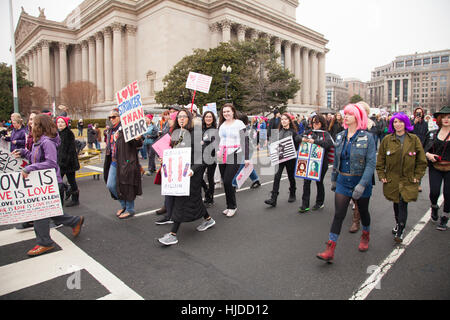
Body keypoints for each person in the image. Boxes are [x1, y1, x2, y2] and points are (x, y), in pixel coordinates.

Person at [12, 114, 84, 256]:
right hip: (43, 183)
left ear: (40, 126)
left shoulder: (47, 142)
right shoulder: (39, 141)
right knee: (50, 212)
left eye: (33, 122)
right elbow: (35, 158)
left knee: (40, 213)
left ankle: (44, 243)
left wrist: (29, 168)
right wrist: (24, 152)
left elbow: (51, 163)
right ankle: (75, 221)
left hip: (50, 184)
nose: (30, 124)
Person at [316, 104, 376, 263]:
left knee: (363, 212)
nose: (346, 116)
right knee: (338, 215)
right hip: (343, 180)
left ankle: (365, 235)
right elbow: (337, 160)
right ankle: (330, 248)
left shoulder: (367, 137)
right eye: (345, 114)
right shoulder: (340, 136)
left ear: (358, 117)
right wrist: (334, 179)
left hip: (360, 180)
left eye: (350, 114)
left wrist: (362, 184)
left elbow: (371, 164)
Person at [158, 109, 215, 246]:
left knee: (181, 200)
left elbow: (201, 157)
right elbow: (173, 154)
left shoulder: (195, 134)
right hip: (180, 172)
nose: (181, 119)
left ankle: (173, 234)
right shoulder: (176, 134)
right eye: (179, 117)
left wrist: (192, 171)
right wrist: (165, 160)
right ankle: (208, 219)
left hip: (192, 172)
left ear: (189, 118)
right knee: (194, 198)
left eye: (184, 116)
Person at [376, 113, 427, 243]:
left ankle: (401, 230)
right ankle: (398, 222)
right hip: (392, 178)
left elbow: (421, 160)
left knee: (403, 203)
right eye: (395, 122)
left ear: (406, 123)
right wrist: (382, 175)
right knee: (396, 203)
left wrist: (417, 176)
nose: (397, 124)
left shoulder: (413, 139)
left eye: (400, 122)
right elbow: (380, 159)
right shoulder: (387, 140)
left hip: (407, 178)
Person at [103, 108, 143, 220]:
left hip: (126, 161)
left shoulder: (127, 128)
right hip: (114, 161)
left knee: (127, 185)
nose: (112, 119)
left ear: (120, 117)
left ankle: (130, 209)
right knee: (111, 185)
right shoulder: (110, 130)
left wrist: (138, 138)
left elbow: (137, 143)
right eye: (110, 117)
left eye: (114, 117)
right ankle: (123, 205)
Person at [218, 103, 250, 218]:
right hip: (222, 155)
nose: (226, 113)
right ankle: (229, 205)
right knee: (224, 181)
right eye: (224, 112)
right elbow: (220, 140)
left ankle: (233, 206)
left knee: (228, 180)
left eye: (228, 111)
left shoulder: (239, 123)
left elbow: (245, 140)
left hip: (235, 154)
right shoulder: (222, 125)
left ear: (233, 112)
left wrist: (246, 158)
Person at [264, 113, 301, 207]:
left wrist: (298, 140)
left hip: (290, 158)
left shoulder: (293, 132)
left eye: (285, 119)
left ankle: (292, 192)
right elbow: (274, 144)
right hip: (280, 158)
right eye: (282, 119)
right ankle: (273, 198)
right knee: (277, 177)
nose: (283, 121)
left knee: (291, 177)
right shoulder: (278, 131)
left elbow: (297, 146)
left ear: (289, 121)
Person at [299, 114, 334, 213]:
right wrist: (303, 139)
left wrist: (315, 141)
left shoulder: (325, 134)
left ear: (322, 123)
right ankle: (304, 204)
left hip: (322, 163)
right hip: (308, 161)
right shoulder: (308, 132)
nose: (314, 124)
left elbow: (328, 144)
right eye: (313, 122)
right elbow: (298, 138)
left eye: (317, 122)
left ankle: (319, 202)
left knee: (319, 182)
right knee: (306, 182)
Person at [424, 106, 450, 231]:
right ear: (439, 119)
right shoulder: (432, 134)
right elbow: (423, 150)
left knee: (448, 194)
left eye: (449, 117)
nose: (446, 120)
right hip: (436, 167)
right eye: (444, 117)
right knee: (434, 192)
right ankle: (434, 207)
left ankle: (445, 216)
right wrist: (429, 155)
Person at [232, 112, 261, 190]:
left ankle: (233, 184)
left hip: (248, 150)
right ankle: (256, 180)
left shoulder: (249, 130)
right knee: (246, 165)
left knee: (241, 166)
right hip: (241, 149)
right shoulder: (240, 128)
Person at [56, 116, 81, 207]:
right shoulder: (58, 133)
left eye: (62, 122)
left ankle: (75, 199)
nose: (60, 124)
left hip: (69, 162)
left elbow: (67, 150)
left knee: (71, 181)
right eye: (58, 122)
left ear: (66, 124)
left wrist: (61, 161)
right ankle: (61, 197)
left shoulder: (68, 133)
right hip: (61, 162)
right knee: (59, 181)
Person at [201, 111, 219, 207]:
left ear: (213, 119)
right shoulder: (201, 129)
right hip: (201, 157)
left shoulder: (215, 130)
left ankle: (210, 198)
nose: (208, 118)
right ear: (204, 118)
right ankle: (207, 190)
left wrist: (205, 143)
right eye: (206, 117)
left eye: (210, 117)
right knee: (199, 176)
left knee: (210, 178)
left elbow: (215, 144)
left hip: (211, 157)